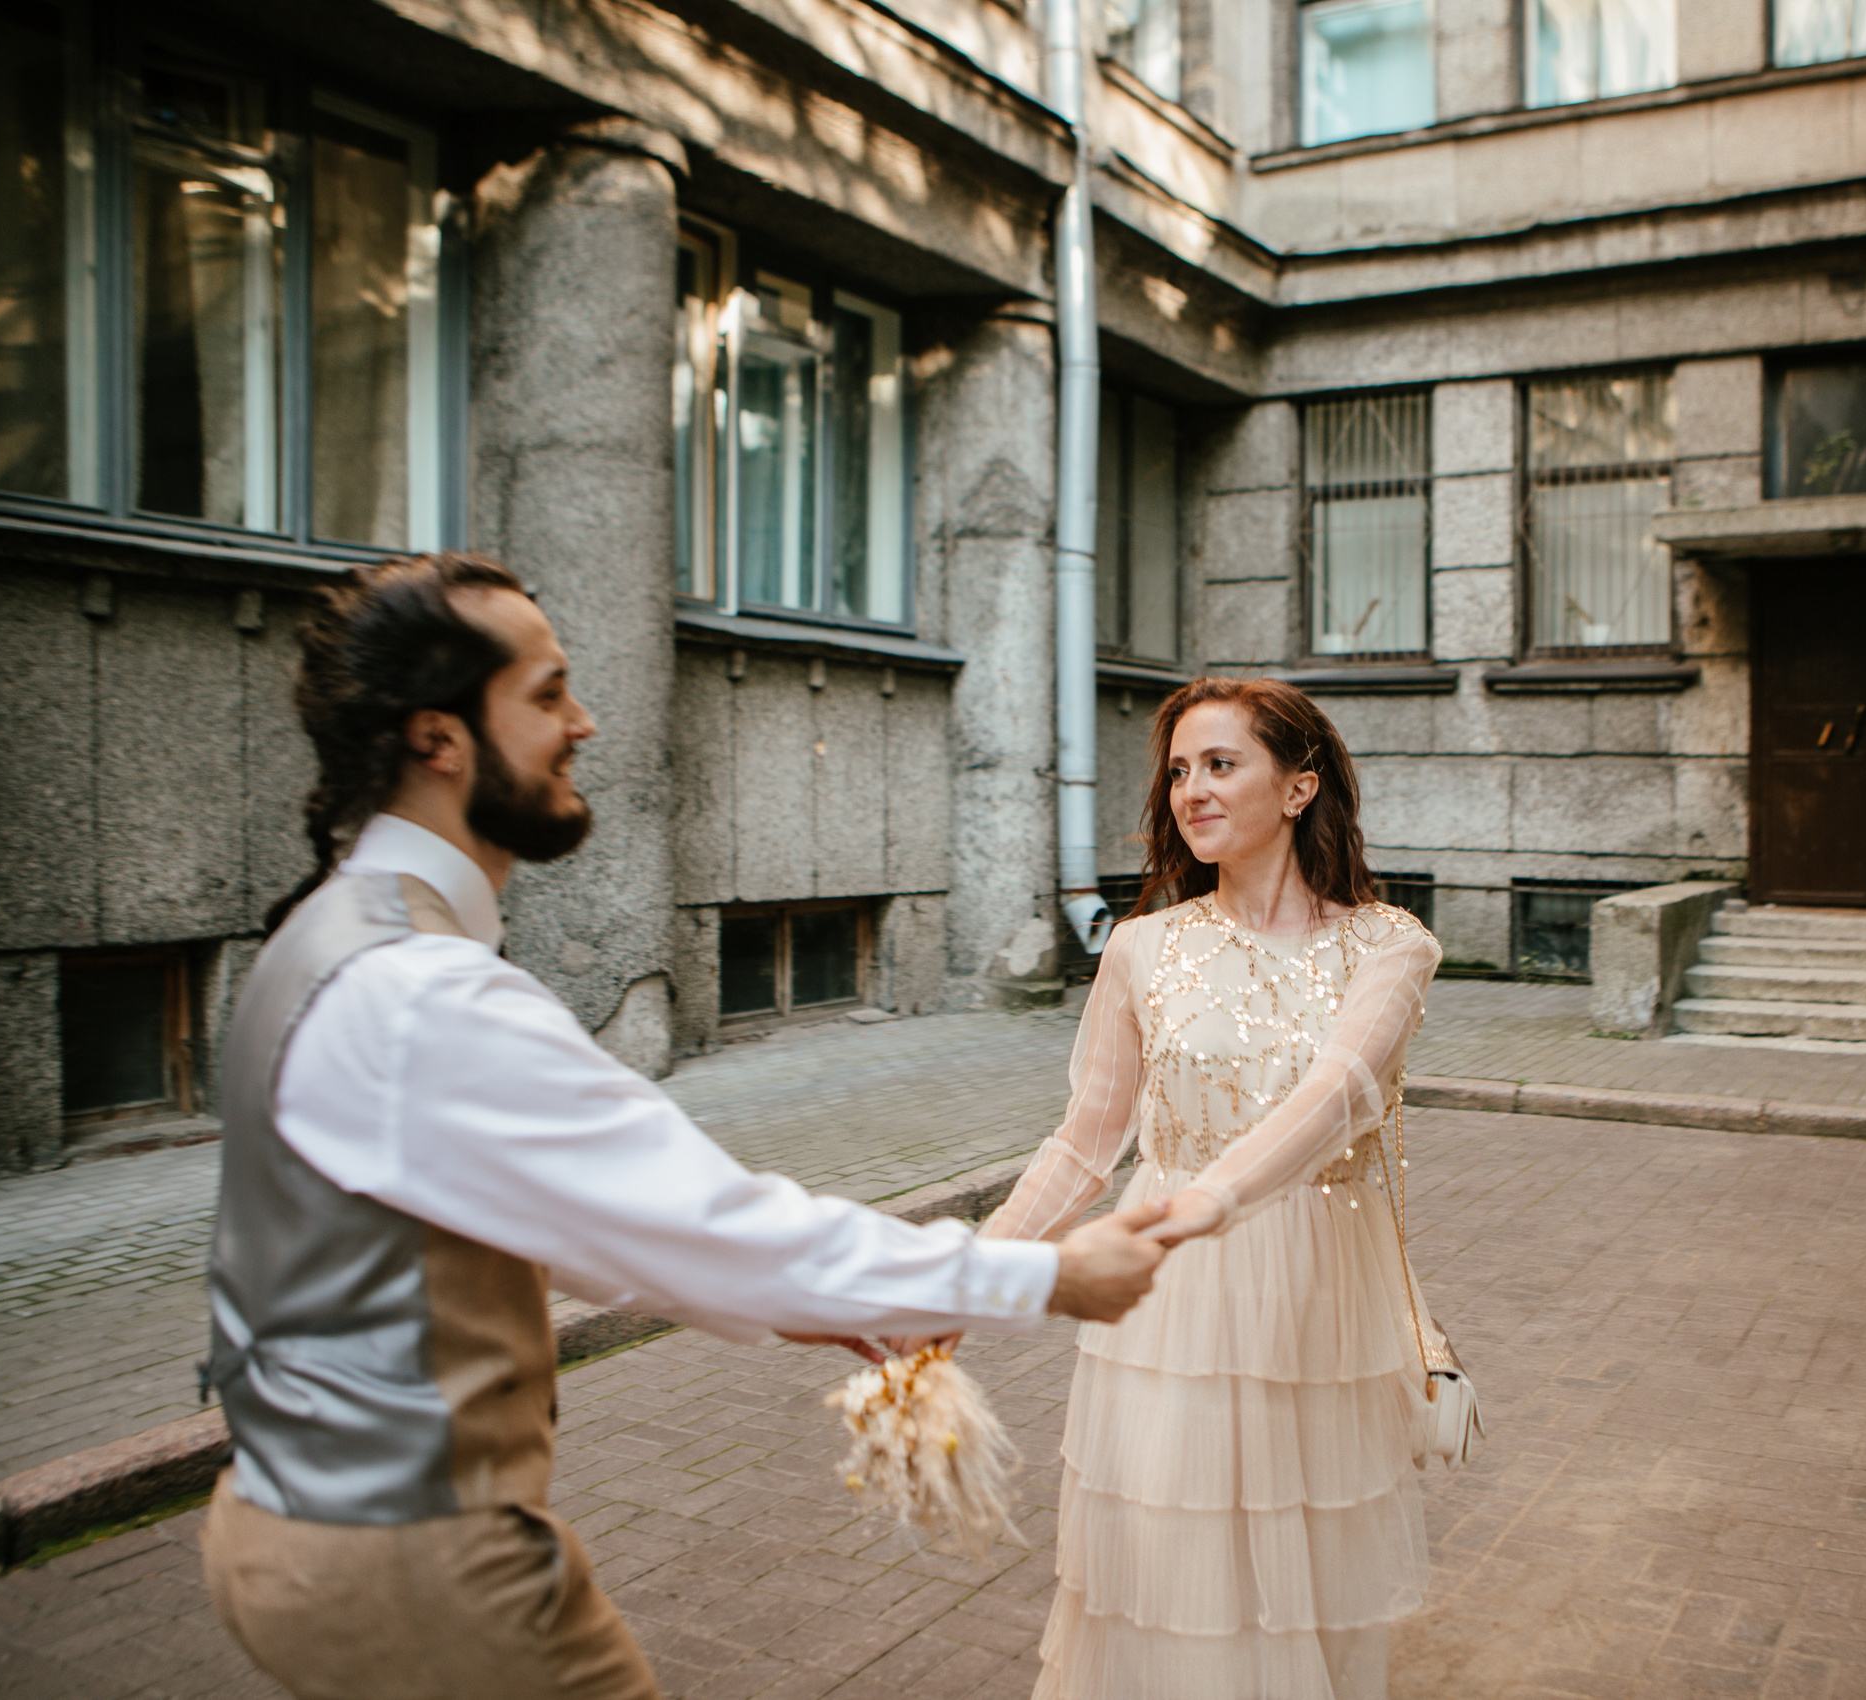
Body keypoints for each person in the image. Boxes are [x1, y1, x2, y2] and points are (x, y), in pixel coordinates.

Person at [198, 551, 1169, 1700]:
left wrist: (822, 1309)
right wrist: (1044, 1273)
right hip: (416, 1563)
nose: (584, 721)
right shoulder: (418, 989)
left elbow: (592, 1227)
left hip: (291, 1523)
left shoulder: (331, 933)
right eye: (548, 692)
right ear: (438, 739)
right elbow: (716, 1226)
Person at [975, 677, 1443, 1700]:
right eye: (1179, 769)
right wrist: (970, 1271)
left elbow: (1339, 1092)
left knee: (1304, 1567)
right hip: (1169, 1299)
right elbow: (1083, 1144)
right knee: (1166, 1565)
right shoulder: (1143, 946)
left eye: (1220, 764)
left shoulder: (1390, 945)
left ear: (1298, 786)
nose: (1190, 789)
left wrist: (1200, 1205)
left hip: (1316, 1296)